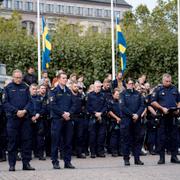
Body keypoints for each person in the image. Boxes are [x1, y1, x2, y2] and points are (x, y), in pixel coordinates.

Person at [3, 69, 35, 171]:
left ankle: (26, 164)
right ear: (13, 77)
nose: (18, 79)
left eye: (20, 77)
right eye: (16, 77)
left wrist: (24, 110)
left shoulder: (25, 87)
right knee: (12, 142)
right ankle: (12, 165)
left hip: (24, 119)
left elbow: (30, 102)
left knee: (26, 141)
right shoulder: (8, 88)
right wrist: (16, 111)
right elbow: (5, 103)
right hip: (13, 119)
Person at [151, 73, 180, 164]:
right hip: (162, 117)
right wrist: (161, 108)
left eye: (169, 81)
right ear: (163, 81)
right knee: (162, 138)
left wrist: (178, 109)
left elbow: (179, 101)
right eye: (166, 81)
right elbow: (153, 102)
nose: (168, 83)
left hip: (173, 116)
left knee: (174, 137)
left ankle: (174, 156)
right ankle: (161, 158)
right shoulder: (158, 89)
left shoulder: (174, 89)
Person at [50, 72, 75, 169]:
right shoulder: (53, 91)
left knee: (68, 142)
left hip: (68, 120)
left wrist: (69, 113)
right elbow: (53, 105)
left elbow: (74, 104)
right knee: (55, 142)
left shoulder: (69, 91)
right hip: (57, 120)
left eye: (66, 78)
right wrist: (63, 113)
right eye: (63, 78)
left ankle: (67, 162)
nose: (65, 80)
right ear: (59, 79)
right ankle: (55, 162)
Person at [120, 78, 145, 166]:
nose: (131, 85)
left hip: (137, 120)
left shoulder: (138, 94)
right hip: (126, 120)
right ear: (126, 84)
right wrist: (132, 115)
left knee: (137, 140)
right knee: (126, 140)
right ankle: (126, 159)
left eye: (132, 83)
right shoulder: (123, 94)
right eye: (129, 83)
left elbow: (142, 106)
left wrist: (137, 115)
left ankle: (137, 159)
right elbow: (122, 106)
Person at [87, 80, 107, 158]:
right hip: (93, 117)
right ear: (94, 87)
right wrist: (95, 113)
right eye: (97, 87)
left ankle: (100, 152)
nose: (99, 88)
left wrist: (101, 113)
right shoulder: (90, 95)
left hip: (102, 117)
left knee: (101, 136)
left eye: (99, 87)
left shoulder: (103, 95)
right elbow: (88, 107)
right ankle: (93, 152)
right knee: (92, 136)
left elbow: (106, 106)